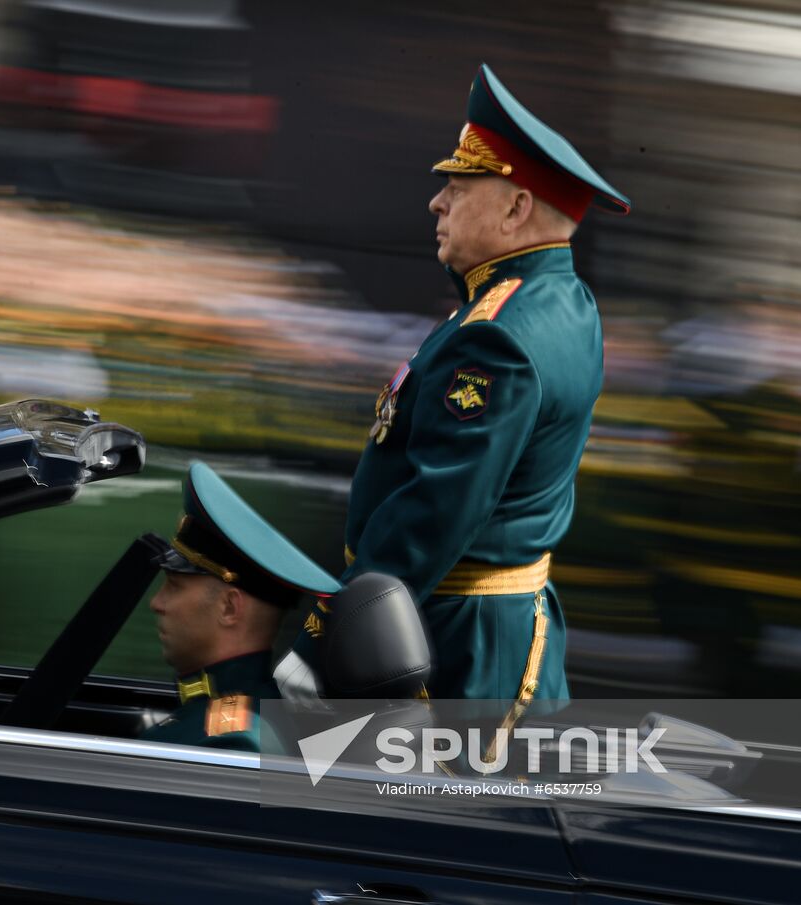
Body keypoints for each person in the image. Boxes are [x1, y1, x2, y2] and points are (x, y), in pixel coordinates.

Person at [281, 63, 631, 711]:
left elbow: (433, 512)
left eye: (458, 188)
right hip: (481, 626)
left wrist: (323, 638)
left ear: (516, 206)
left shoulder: (496, 337)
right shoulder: (558, 300)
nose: (436, 202)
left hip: (462, 649)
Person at [141, 461, 341, 752]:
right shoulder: (231, 714)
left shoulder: (233, 744)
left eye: (174, 586)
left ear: (229, 608)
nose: (156, 603)